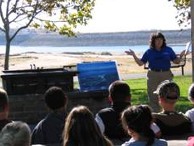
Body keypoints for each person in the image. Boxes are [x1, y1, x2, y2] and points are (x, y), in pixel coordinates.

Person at [125, 32, 185, 112]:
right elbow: (140, 63)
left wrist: (180, 56)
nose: (159, 41)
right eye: (157, 40)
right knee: (153, 96)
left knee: (168, 94)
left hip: (166, 74)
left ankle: (167, 112)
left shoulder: (168, 50)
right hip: (153, 75)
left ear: (163, 41)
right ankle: (156, 115)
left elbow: (176, 61)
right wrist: (134, 55)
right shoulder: (149, 51)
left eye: (161, 39)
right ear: (153, 41)